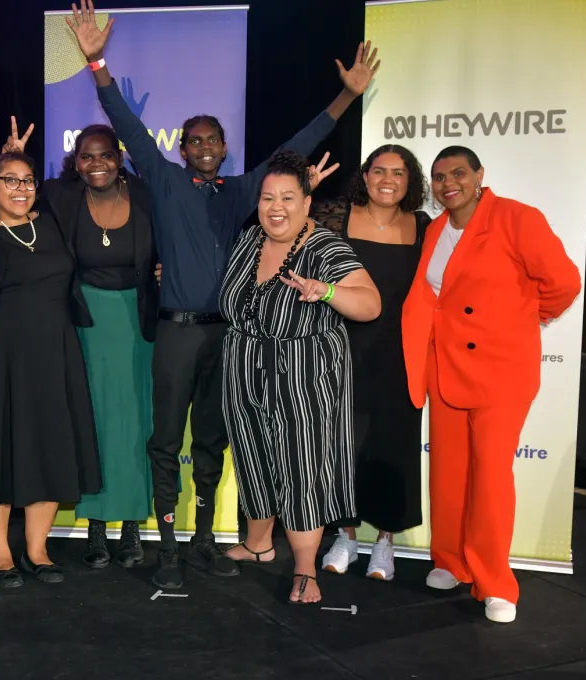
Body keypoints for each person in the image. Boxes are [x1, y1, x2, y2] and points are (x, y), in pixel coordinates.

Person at [66, 0, 379, 588]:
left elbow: (298, 145)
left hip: (227, 339)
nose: (204, 145)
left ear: (224, 147)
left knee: (210, 441)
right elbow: (127, 125)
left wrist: (345, 98)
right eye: (194, 139)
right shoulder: (162, 181)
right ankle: (165, 546)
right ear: (181, 149)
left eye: (213, 138)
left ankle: (205, 538)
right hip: (177, 334)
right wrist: (96, 61)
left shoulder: (244, 194)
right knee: (165, 443)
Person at [402, 146, 581, 623]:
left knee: (490, 479)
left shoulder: (517, 218)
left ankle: (495, 582)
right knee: (448, 473)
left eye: (458, 173)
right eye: (439, 177)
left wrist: (525, 319)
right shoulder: (437, 229)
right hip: (445, 368)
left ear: (480, 175)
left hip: (500, 372)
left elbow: (563, 282)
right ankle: (451, 560)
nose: (448, 183)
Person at [0, 119, 157, 569]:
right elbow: (12, 212)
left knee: (135, 425)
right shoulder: (59, 196)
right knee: (92, 423)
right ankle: (96, 529)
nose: (96, 163)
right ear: (75, 163)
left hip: (137, 322)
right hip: (83, 321)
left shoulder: (146, 193)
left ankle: (134, 527)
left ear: (120, 158)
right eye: (86, 155)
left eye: (105, 154)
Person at [0, 150, 102, 588]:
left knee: (50, 447)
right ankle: (0, 551)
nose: (21, 189)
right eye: (9, 180)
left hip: (54, 355)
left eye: (27, 180)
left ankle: (37, 549)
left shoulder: (52, 223)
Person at [219, 151, 381, 604]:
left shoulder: (324, 247)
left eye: (289, 197)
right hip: (244, 370)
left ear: (307, 203)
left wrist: (325, 291)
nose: (277, 206)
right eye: (268, 196)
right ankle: (259, 544)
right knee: (254, 460)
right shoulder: (250, 238)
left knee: (300, 469)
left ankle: (306, 569)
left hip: (302, 377)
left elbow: (370, 304)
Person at [309, 145, 431, 581]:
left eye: (398, 173)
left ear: (409, 181)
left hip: (401, 355)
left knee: (392, 445)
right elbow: (287, 242)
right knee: (343, 446)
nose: (387, 180)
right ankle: (346, 535)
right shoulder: (334, 218)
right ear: (364, 176)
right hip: (339, 350)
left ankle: (385, 541)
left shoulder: (423, 227)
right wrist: (305, 190)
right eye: (379, 170)